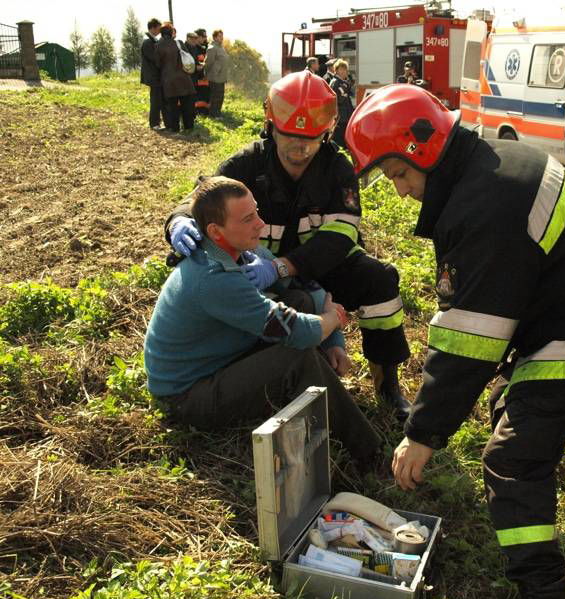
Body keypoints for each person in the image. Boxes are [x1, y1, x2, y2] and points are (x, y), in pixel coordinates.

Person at [345, 84, 565, 599]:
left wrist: (423, 434)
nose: (403, 192)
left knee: (510, 460)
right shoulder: (492, 163)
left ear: (422, 150)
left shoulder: (483, 203)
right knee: (512, 415)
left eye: (397, 175)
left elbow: (471, 339)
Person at [163, 71, 412, 419]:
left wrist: (283, 267)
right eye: (291, 136)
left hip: (317, 266)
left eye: (312, 138)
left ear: (327, 132)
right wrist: (178, 221)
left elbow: (340, 236)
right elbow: (199, 199)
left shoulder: (338, 168)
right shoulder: (245, 164)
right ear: (271, 126)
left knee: (380, 280)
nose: (301, 147)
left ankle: (387, 384)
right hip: (259, 275)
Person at [144, 175, 381, 462]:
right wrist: (335, 318)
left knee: (300, 301)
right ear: (216, 231)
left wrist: (334, 341)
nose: (260, 223)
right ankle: (370, 455)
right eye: (247, 219)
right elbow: (299, 332)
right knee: (297, 356)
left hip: (218, 357)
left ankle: (319, 395)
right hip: (188, 396)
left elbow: (302, 289)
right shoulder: (212, 278)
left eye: (256, 211)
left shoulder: (235, 248)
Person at [155, 22, 196, 133]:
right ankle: (188, 127)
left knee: (172, 107)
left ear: (161, 33)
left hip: (169, 81)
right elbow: (188, 58)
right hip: (184, 79)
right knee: (186, 104)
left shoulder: (158, 46)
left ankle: (174, 128)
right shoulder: (179, 43)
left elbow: (157, 64)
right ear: (171, 32)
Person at [140, 18, 164, 129]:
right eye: (159, 28)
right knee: (155, 100)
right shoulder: (147, 42)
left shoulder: (152, 40)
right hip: (153, 76)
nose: (160, 31)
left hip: (155, 75)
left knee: (157, 99)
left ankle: (156, 122)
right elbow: (154, 59)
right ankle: (154, 123)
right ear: (153, 28)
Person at [329, 59, 354, 148]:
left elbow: (350, 94)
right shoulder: (335, 82)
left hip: (345, 114)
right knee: (339, 137)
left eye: (345, 69)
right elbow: (337, 100)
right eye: (342, 69)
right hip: (340, 115)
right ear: (337, 70)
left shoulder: (343, 82)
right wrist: (343, 90)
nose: (344, 72)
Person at [205, 29, 228, 118]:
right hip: (215, 76)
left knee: (220, 96)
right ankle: (213, 114)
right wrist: (206, 74)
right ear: (214, 37)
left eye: (222, 36)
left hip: (221, 76)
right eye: (219, 36)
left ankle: (217, 113)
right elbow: (208, 62)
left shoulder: (221, 47)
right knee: (216, 96)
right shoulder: (212, 48)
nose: (221, 38)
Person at [193, 28, 210, 115]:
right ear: (198, 37)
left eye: (206, 36)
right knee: (197, 97)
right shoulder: (193, 48)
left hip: (205, 80)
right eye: (203, 36)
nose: (205, 38)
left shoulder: (205, 48)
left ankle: (204, 111)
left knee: (205, 97)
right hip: (196, 79)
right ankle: (197, 112)